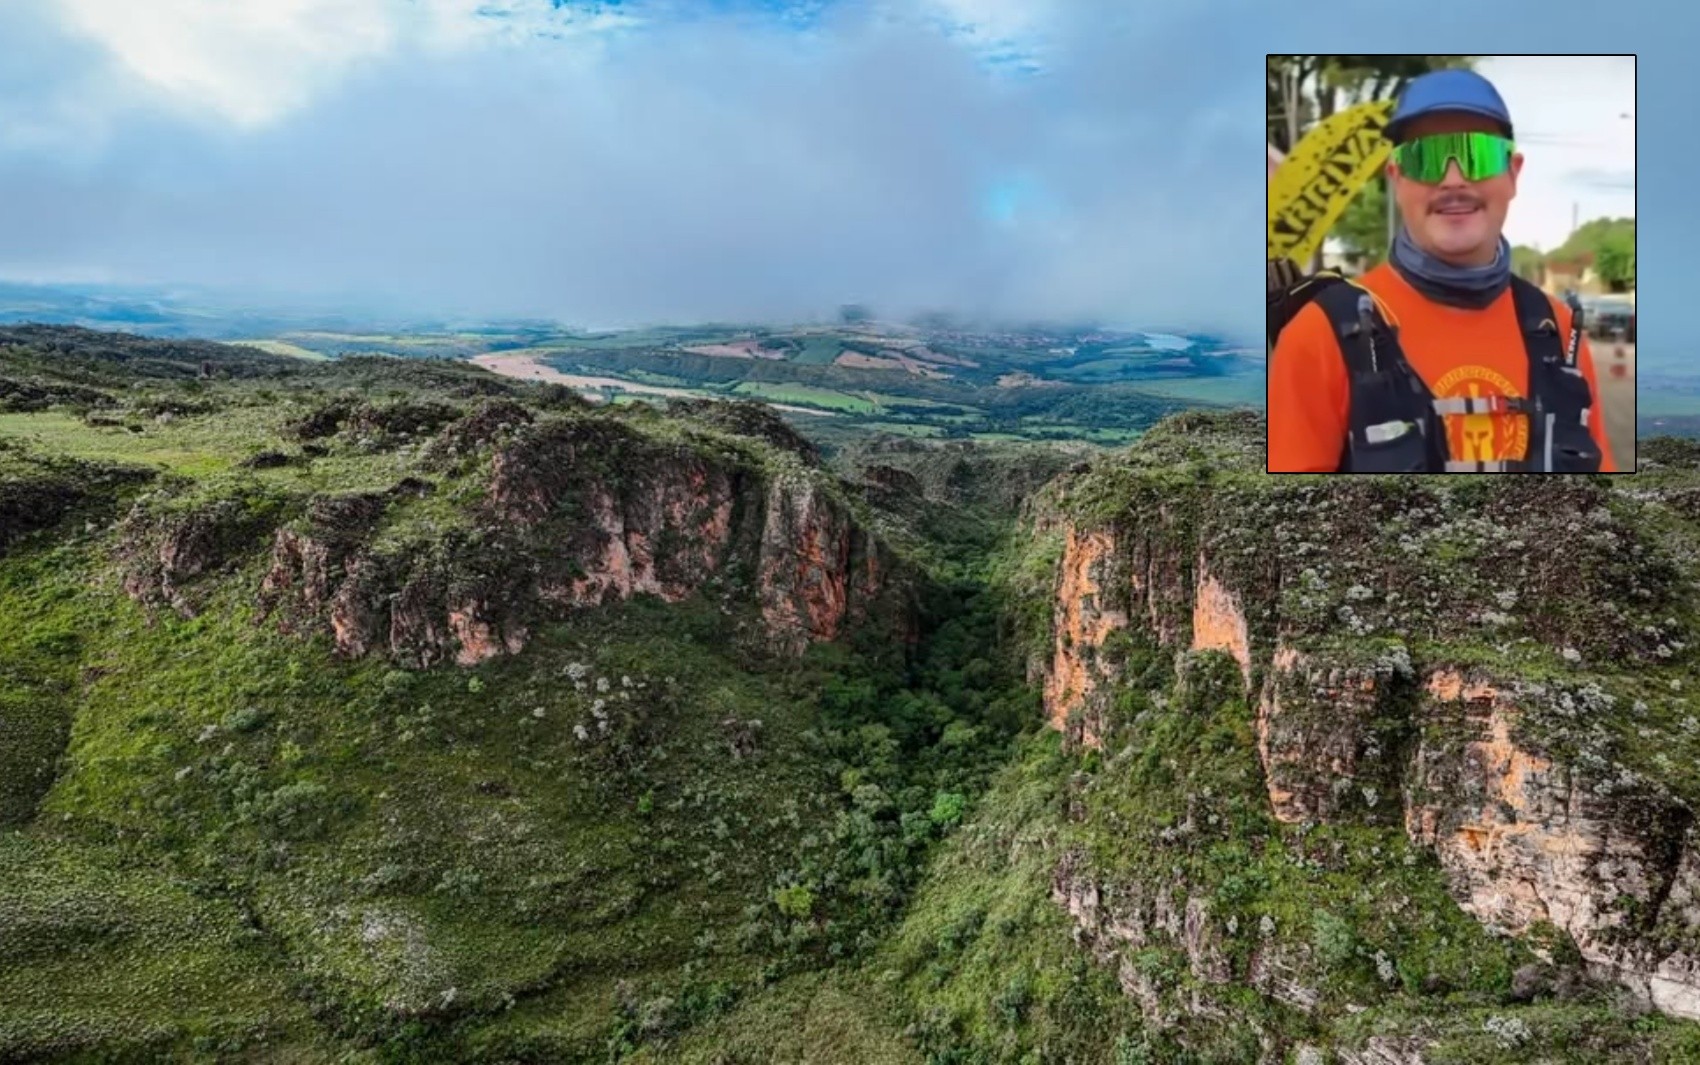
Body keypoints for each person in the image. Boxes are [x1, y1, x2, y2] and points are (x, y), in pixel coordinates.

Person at [1267, 68, 1617, 473]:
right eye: (1425, 158)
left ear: (1512, 173)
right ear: (1396, 179)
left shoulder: (1559, 331)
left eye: (1476, 154)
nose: (1452, 179)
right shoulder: (1319, 333)